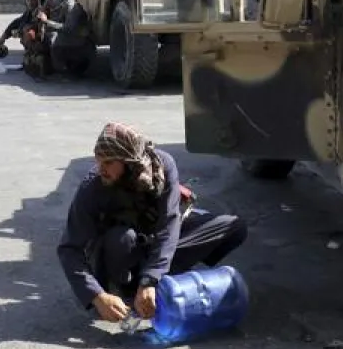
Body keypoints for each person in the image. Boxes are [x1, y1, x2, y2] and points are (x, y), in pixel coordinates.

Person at [58, 122, 248, 324]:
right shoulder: (93, 187)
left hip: (153, 242)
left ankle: (150, 280)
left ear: (129, 162)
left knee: (233, 227)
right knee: (122, 238)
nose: (101, 169)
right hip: (119, 252)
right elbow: (69, 249)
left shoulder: (162, 167)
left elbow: (169, 224)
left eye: (109, 163)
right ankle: (128, 287)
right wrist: (97, 296)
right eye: (99, 161)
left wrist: (150, 279)